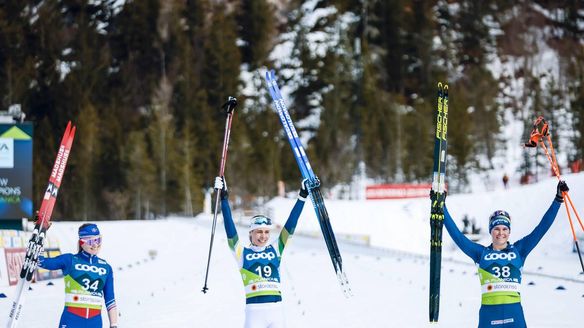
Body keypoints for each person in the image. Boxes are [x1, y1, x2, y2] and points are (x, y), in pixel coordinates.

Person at [435, 180, 569, 328]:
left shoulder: (520, 250)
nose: (501, 233)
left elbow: (541, 228)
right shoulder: (480, 253)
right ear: (491, 230)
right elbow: (458, 236)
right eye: (497, 228)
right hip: (489, 317)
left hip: (515, 316)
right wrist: (442, 207)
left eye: (505, 229)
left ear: (509, 231)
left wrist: (558, 200)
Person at [214, 176, 308, 328]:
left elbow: (291, 223)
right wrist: (224, 199)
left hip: (277, 311)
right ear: (250, 233)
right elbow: (230, 228)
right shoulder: (241, 253)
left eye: (266, 232)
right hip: (254, 313)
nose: (263, 236)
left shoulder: (277, 248)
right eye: (258, 232)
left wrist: (302, 196)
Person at [38, 223, 118, 328]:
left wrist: (114, 325)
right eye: (90, 241)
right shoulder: (69, 260)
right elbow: (42, 261)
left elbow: (110, 300)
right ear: (81, 242)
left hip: (95, 323)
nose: (95, 245)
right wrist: (40, 233)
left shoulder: (106, 267)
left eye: (98, 240)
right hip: (71, 320)